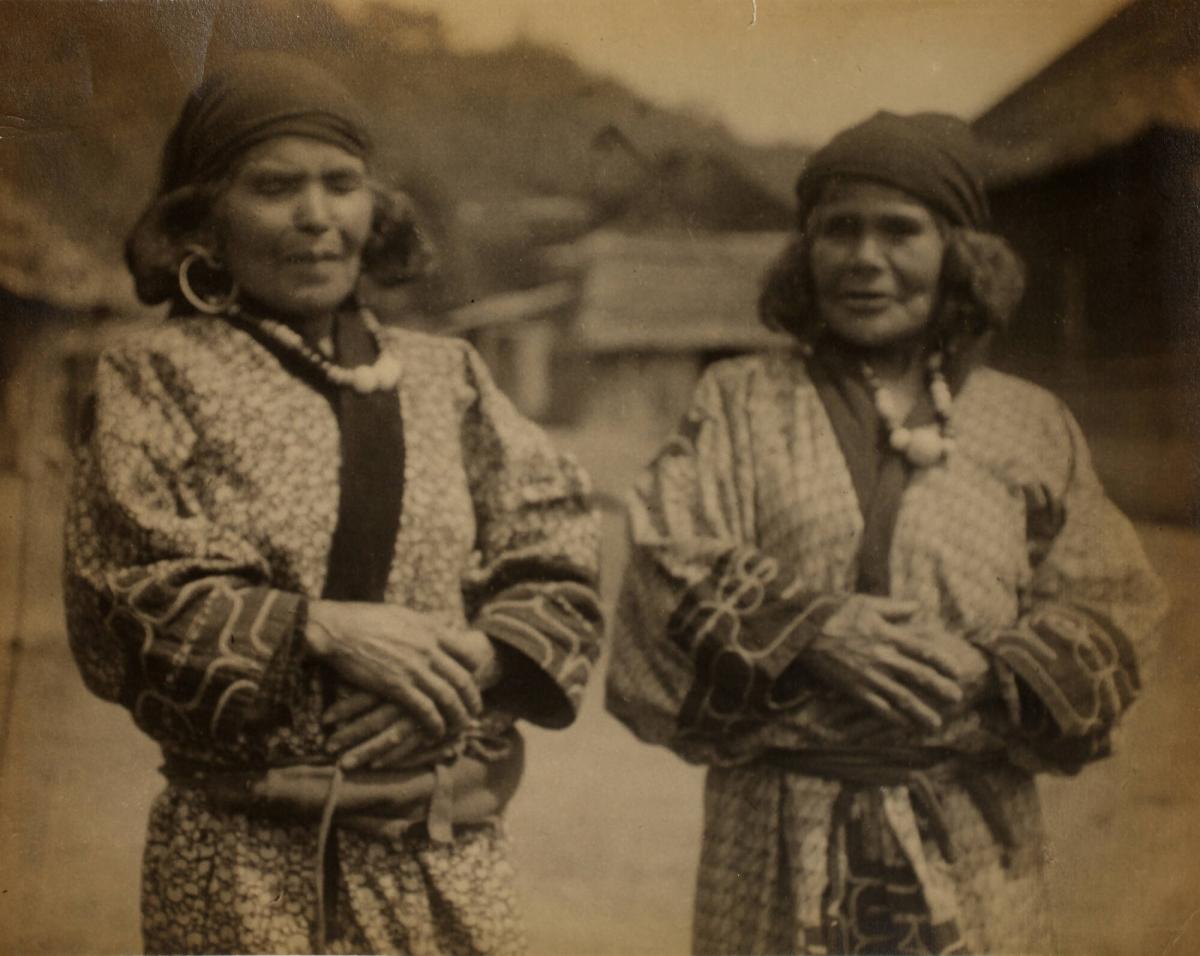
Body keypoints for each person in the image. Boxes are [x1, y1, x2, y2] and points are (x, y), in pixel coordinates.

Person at [64, 52, 602, 956]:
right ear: (202, 219)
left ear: (374, 207)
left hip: (441, 848)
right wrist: (321, 630)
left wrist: (475, 660)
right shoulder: (152, 379)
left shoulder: (448, 376)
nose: (316, 217)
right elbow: (126, 598)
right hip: (241, 866)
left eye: (341, 184)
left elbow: (557, 549)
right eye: (275, 187)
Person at [606, 110, 1168, 955]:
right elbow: (659, 579)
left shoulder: (1028, 422)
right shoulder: (738, 401)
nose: (865, 258)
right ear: (807, 251)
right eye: (840, 230)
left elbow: (1115, 603)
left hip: (973, 837)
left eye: (900, 230)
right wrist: (814, 631)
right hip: (777, 836)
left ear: (959, 253)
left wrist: (990, 673)